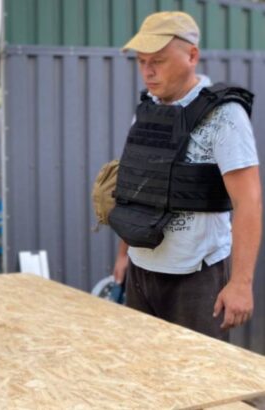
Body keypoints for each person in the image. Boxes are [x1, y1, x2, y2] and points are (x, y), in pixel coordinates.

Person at [109, 11, 261, 340]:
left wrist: (240, 283)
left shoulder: (224, 116)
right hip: (141, 271)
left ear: (192, 55)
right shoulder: (147, 110)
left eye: (159, 61)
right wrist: (123, 255)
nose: (148, 72)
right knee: (143, 377)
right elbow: (138, 187)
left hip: (196, 278)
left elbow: (248, 201)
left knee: (201, 383)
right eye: (142, 61)